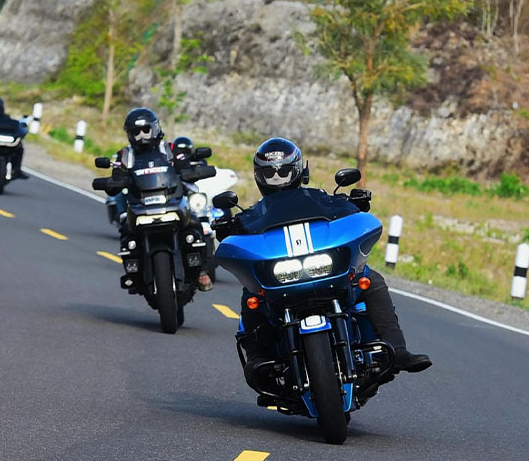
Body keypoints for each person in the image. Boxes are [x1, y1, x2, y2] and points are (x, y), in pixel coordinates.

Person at [222, 137, 431, 381]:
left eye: (284, 170)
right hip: (282, 278)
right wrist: (226, 225)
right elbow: (236, 233)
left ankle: (397, 350)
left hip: (326, 270)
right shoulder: (252, 215)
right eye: (269, 172)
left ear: (298, 169)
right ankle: (257, 358)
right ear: (259, 175)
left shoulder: (321, 199)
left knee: (371, 280)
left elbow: (346, 210)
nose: (277, 177)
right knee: (252, 292)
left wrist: (355, 202)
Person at [108, 109, 213, 291]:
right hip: (139, 205)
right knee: (126, 231)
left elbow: (185, 164)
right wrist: (113, 182)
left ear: (155, 128)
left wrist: (191, 171)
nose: (141, 136)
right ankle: (133, 273)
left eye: (145, 130)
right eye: (136, 132)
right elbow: (116, 175)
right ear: (129, 134)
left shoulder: (170, 149)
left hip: (171, 201)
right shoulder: (125, 155)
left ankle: (202, 271)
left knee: (195, 225)